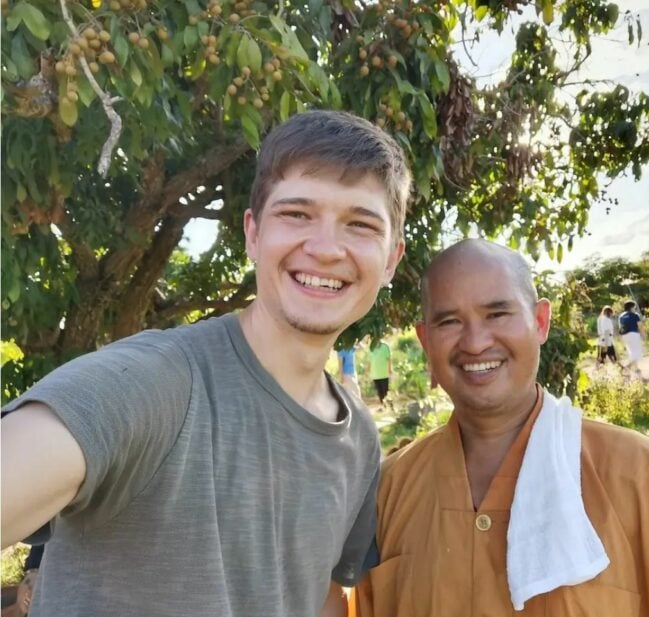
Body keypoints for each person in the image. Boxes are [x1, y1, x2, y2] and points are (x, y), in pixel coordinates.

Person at [1, 110, 410, 616]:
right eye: (296, 214)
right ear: (252, 234)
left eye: (360, 224)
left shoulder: (358, 438)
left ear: (391, 259)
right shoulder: (154, 383)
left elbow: (321, 594)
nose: (326, 248)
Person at [352, 239, 649, 617]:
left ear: (540, 322)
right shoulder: (391, 489)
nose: (476, 342)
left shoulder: (637, 474)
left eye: (497, 314)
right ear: (425, 340)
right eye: (449, 321)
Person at [619, 299, 644, 379]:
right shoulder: (635, 315)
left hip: (625, 336)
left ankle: (636, 369)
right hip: (634, 334)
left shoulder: (621, 316)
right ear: (632, 307)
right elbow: (639, 326)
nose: (635, 308)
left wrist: (621, 339)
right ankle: (626, 367)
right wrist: (643, 334)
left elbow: (621, 328)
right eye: (634, 307)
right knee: (637, 353)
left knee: (631, 352)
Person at [368, 339, 392, 406]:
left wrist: (390, 370)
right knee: (380, 392)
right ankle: (384, 406)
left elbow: (389, 359)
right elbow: (370, 361)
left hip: (384, 374)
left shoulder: (385, 346)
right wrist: (368, 372)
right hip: (375, 375)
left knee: (386, 392)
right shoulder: (371, 348)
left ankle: (390, 406)